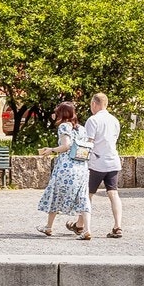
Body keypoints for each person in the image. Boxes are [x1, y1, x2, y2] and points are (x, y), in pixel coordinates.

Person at [36, 101, 91, 237]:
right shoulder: (81, 129)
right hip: (82, 167)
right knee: (83, 197)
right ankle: (87, 230)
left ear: (62, 114)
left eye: (57, 112)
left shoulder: (63, 126)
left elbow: (66, 145)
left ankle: (48, 227)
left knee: (55, 194)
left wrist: (51, 150)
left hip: (66, 167)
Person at [85, 91, 124, 238]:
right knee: (113, 193)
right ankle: (117, 226)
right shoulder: (114, 120)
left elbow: (89, 142)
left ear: (94, 104)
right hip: (113, 161)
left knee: (88, 195)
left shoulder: (93, 120)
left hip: (96, 162)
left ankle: (82, 225)